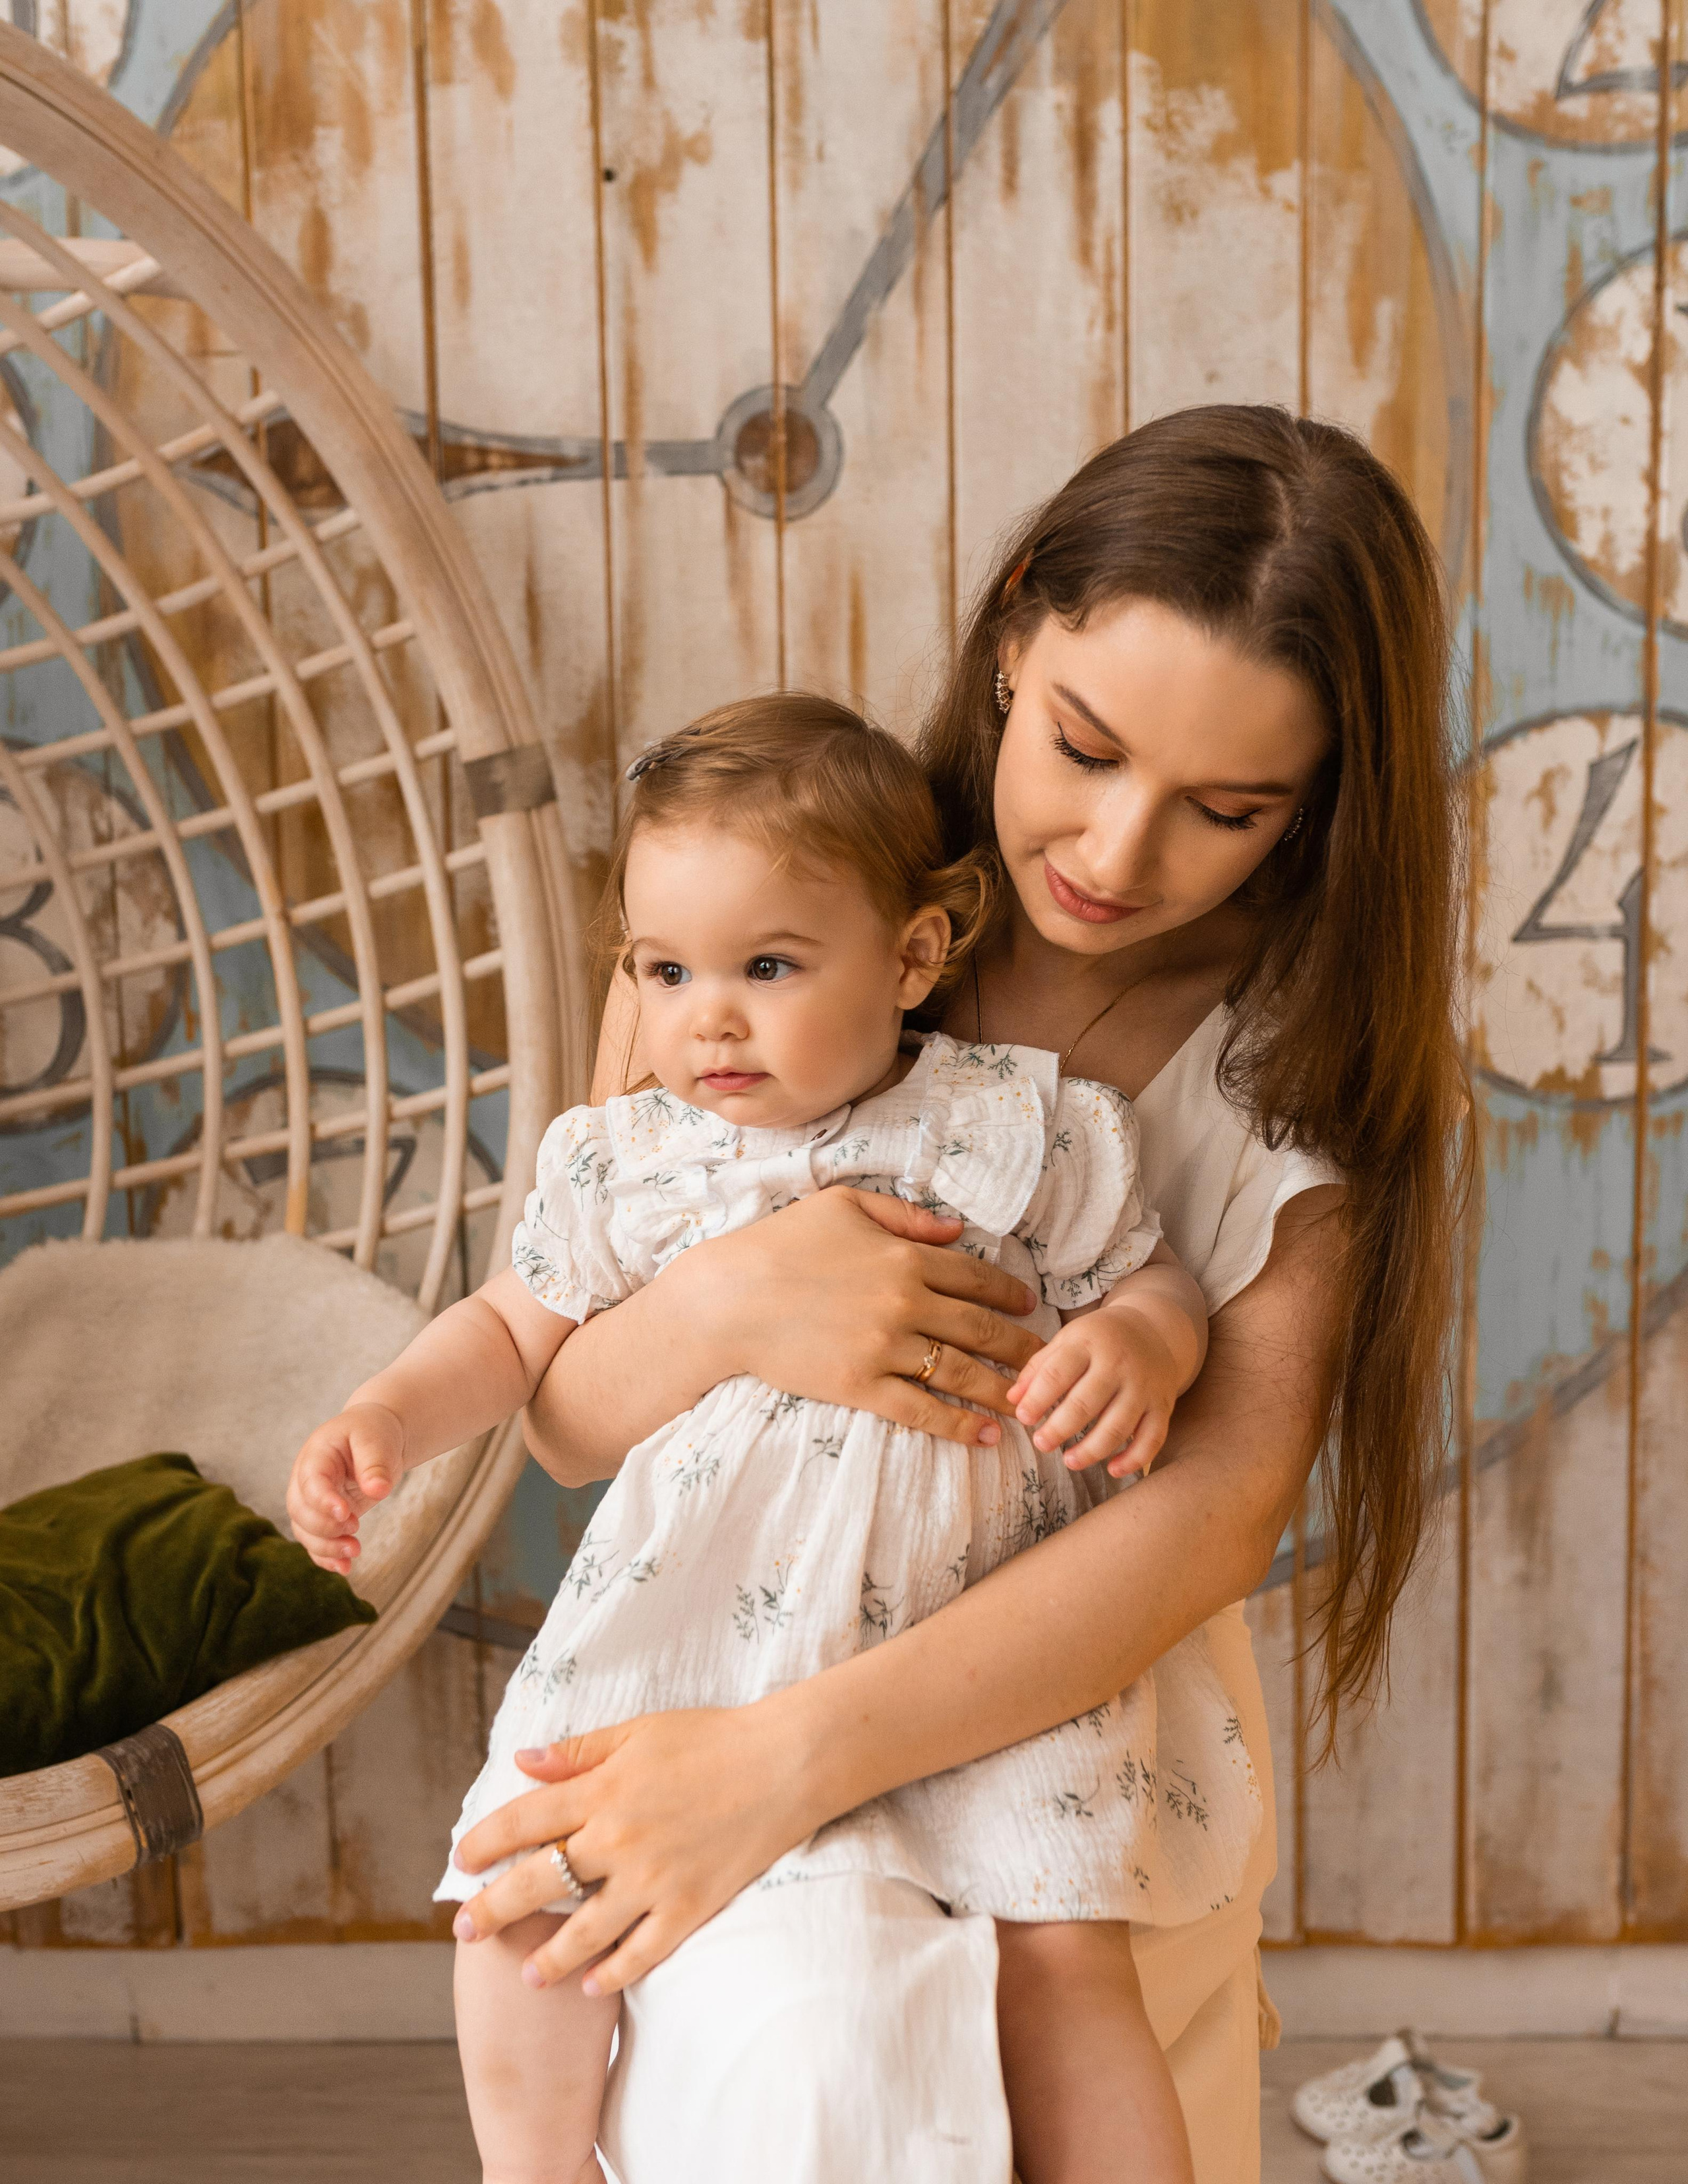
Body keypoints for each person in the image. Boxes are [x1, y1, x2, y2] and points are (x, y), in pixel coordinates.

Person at [438, 405, 1469, 2184]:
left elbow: (1215, 1518)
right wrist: (739, 1305)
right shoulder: (771, 912)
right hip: (734, 1661)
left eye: (1226, 811)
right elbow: (558, 1399)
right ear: (1011, 641)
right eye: (1083, 749)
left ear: (1318, 814)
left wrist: (797, 1758)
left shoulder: (1295, 1072)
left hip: (1053, 1725)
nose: (1118, 853)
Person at [288, 697, 1259, 2184]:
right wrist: (383, 1418)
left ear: (914, 957)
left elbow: (1145, 1272)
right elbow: (510, 1335)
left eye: (767, 967)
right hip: (706, 1611)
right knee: (523, 1900)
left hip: (967, 1629)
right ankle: (531, 2167)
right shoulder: (634, 1157)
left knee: (1064, 1952)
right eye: (663, 970)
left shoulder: (1008, 1128)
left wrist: (1138, 1341)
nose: (706, 1017)